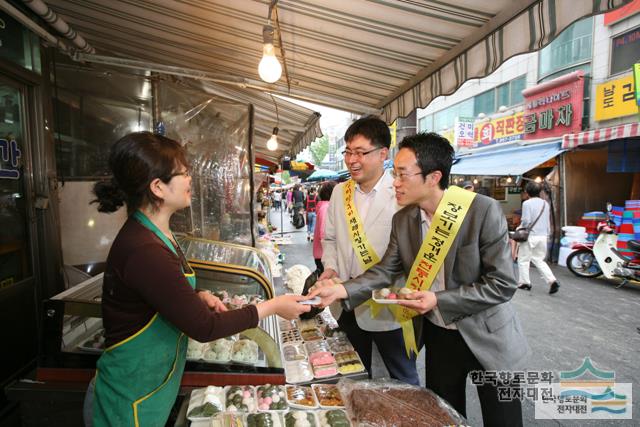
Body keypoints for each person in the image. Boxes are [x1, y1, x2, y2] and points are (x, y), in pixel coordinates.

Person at [85, 132, 310, 427]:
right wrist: (274, 306)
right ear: (158, 187)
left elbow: (163, 289)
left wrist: (197, 295)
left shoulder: (158, 234)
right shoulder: (143, 248)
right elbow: (205, 328)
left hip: (150, 388)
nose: (191, 179)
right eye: (183, 173)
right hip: (128, 400)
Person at [311, 132, 530, 426]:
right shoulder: (404, 220)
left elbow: (503, 283)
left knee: (503, 421)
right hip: (439, 336)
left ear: (433, 176)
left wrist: (438, 299)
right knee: (444, 417)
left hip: (489, 337)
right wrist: (340, 289)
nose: (395, 182)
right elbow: (385, 270)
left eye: (402, 174)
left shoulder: (481, 210)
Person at [320, 116, 419, 385]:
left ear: (383, 154)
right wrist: (331, 267)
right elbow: (329, 239)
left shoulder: (401, 194)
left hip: (389, 308)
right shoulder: (340, 192)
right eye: (348, 152)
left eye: (361, 152)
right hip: (347, 306)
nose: (352, 160)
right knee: (354, 376)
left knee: (405, 380)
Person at [517, 181, 560, 294]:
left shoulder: (526, 204)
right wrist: (548, 233)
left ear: (527, 192)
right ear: (539, 191)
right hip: (543, 236)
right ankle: (551, 280)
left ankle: (525, 282)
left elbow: (526, 221)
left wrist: (519, 229)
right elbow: (547, 220)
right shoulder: (545, 204)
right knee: (538, 259)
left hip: (530, 236)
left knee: (523, 259)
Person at [313, 181, 337, 273]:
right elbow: (324, 234)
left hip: (323, 254)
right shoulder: (326, 208)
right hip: (325, 255)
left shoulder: (325, 206)